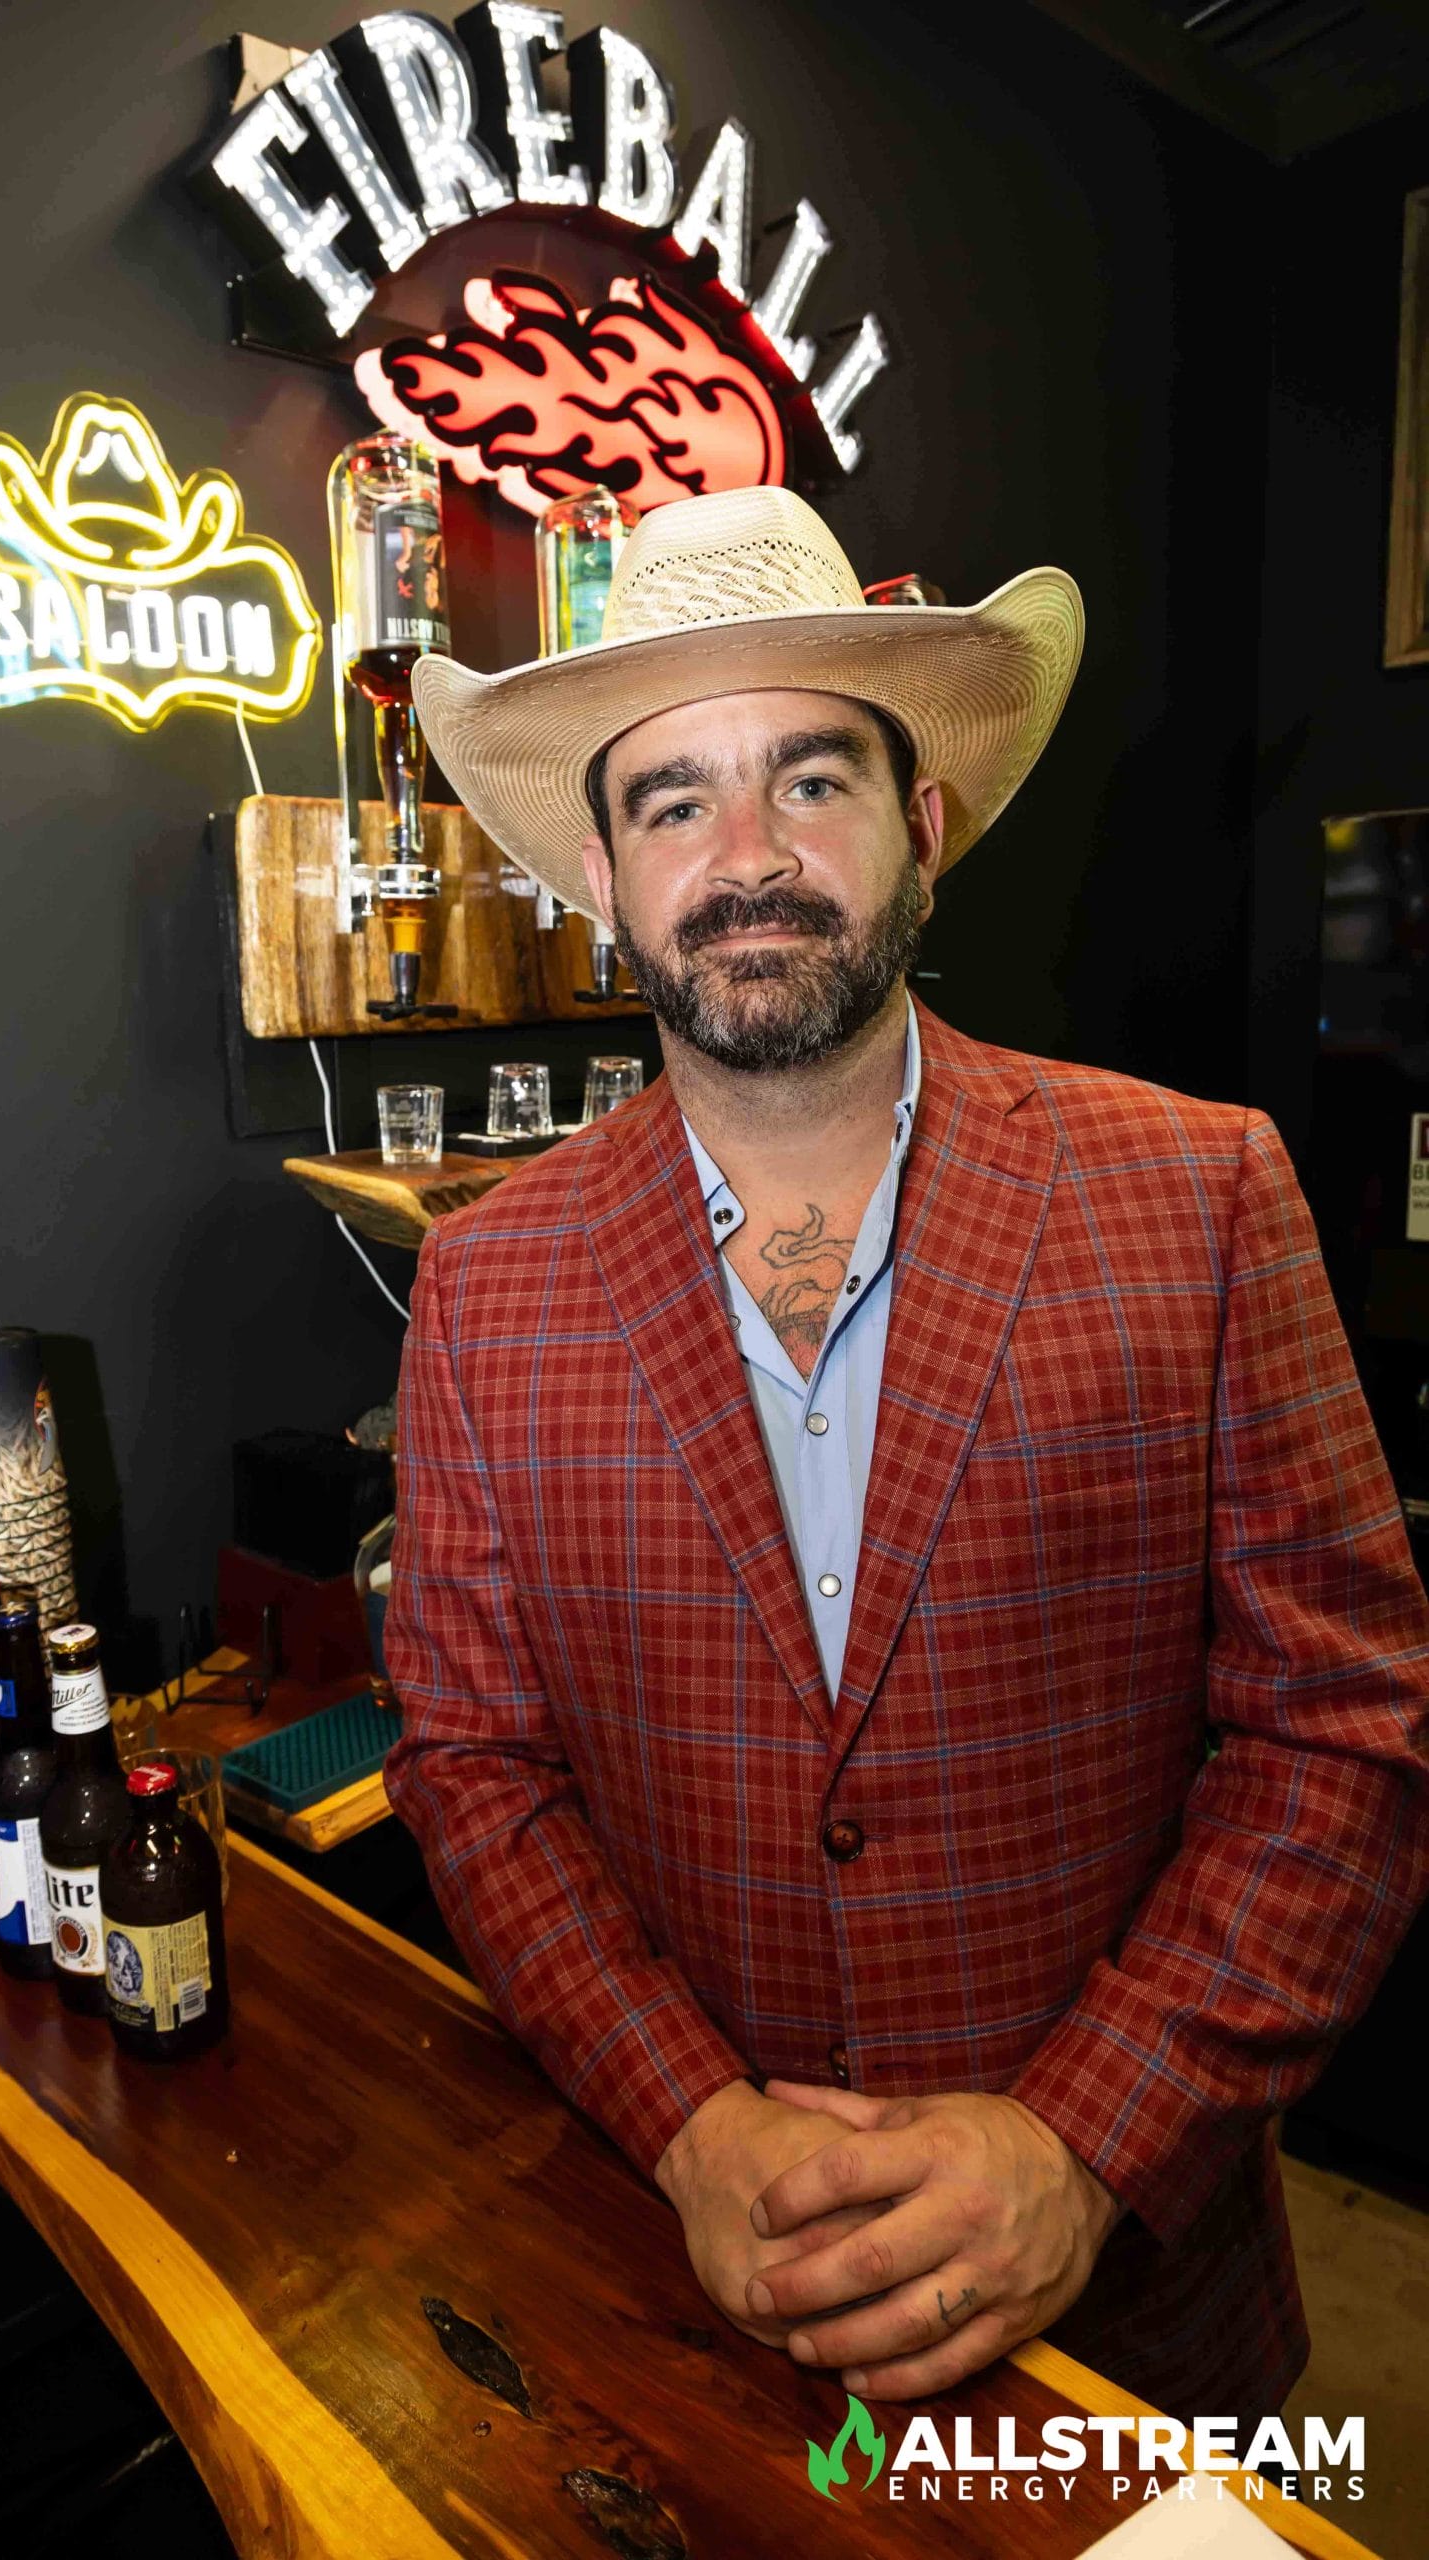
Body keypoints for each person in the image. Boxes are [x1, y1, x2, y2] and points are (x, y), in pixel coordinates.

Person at [379, 485, 1429, 2432]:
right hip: (694, 2294)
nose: (748, 856)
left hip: (1130, 2317)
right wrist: (692, 2126)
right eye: (673, 801)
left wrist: (1082, 2142)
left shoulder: (1199, 1194)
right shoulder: (485, 1282)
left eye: (811, 779)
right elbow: (471, 1766)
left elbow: (1343, 1739)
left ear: (922, 827)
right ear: (604, 874)